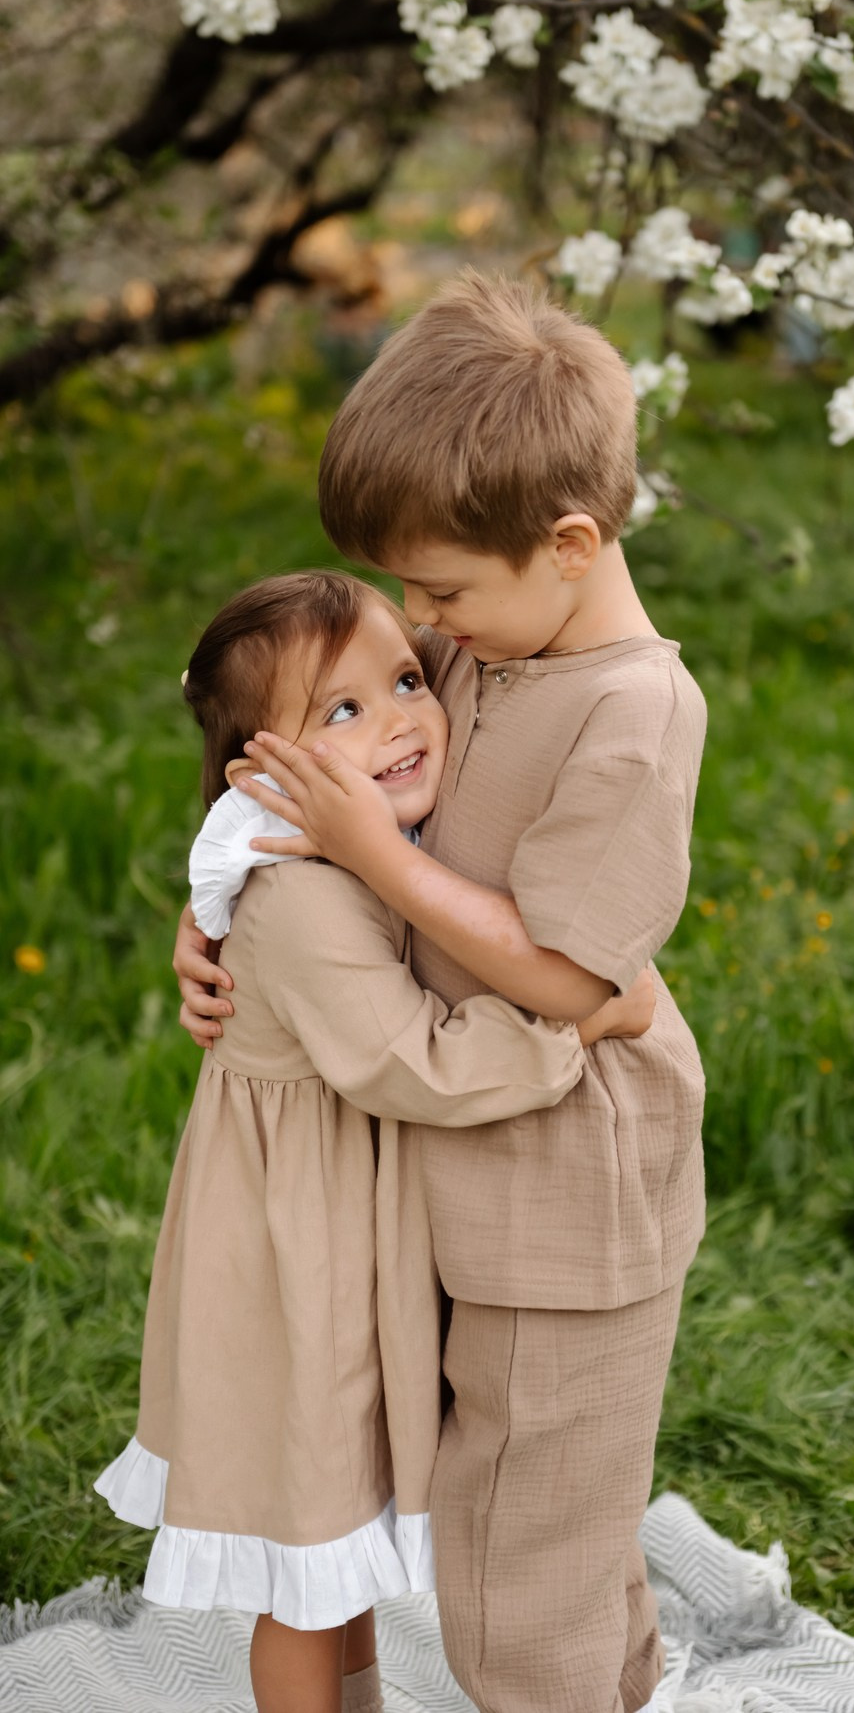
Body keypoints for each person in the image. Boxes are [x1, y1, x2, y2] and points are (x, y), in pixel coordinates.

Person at [175, 272, 708, 1713]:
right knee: (549, 1515)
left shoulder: (633, 715)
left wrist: (373, 864)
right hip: (466, 1165)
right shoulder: (492, 637)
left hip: (567, 1197)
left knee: (514, 1573)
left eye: (441, 591)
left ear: (573, 543)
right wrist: (212, 914)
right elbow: (308, 765)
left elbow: (564, 975)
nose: (421, 628)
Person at [101, 569, 652, 1713]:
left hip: (337, 1241)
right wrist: (578, 1021)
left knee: (333, 1546)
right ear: (263, 774)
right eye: (340, 712)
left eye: (405, 680)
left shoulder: (337, 848)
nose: (400, 719)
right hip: (294, 1271)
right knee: (305, 1572)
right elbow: (418, 1060)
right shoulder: (300, 900)